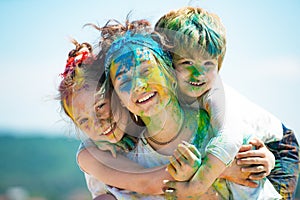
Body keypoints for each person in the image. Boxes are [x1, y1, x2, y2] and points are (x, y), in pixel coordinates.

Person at [155, 6, 299, 199]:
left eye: (208, 64)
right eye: (187, 63)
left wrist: (194, 188)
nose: (198, 74)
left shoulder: (213, 93)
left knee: (249, 182)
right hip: (232, 147)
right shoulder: (161, 92)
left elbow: (229, 140)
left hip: (277, 145)